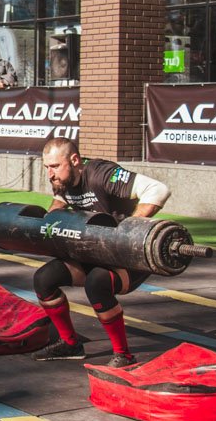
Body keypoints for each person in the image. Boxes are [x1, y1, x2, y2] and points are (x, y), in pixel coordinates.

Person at [31, 138, 171, 368]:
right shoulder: (64, 179)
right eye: (46, 167)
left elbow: (159, 190)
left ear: (74, 160)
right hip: (97, 250)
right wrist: (48, 221)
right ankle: (70, 345)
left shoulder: (102, 174)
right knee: (44, 279)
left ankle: (124, 355)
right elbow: (60, 200)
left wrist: (127, 229)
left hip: (129, 254)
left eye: (54, 166)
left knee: (97, 283)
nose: (50, 174)